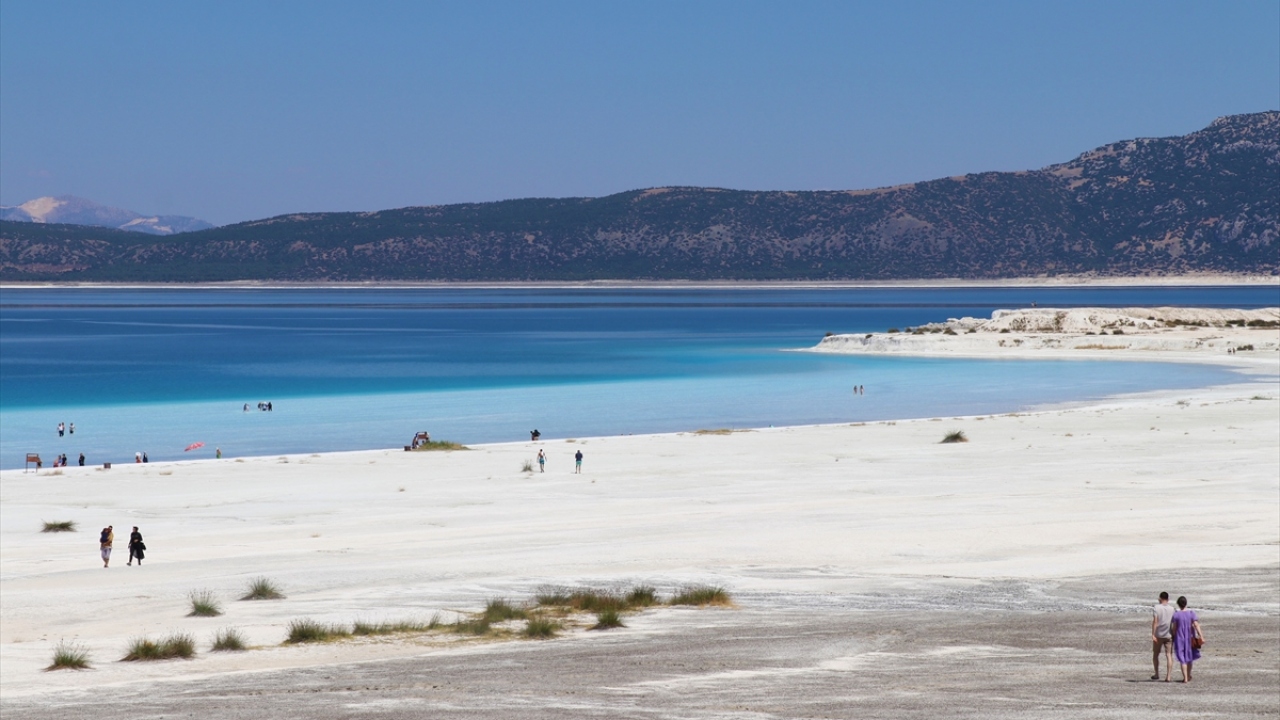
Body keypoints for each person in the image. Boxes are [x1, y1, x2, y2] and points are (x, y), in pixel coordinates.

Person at [1170, 596, 1204, 683]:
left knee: (1182, 659)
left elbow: (1174, 628)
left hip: (1180, 638)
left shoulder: (1176, 615)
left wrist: (1173, 636)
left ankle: (1185, 678)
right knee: (1189, 657)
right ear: (1186, 603)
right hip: (1190, 638)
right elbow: (1196, 625)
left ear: (1178, 604)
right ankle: (1188, 675)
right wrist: (1201, 636)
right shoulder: (1191, 613)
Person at [1151, 591, 1174, 681]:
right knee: (1169, 655)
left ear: (1160, 598)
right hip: (1169, 634)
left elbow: (1155, 621)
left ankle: (1157, 673)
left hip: (1158, 635)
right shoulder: (1172, 609)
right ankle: (1168, 676)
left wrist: (1153, 634)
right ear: (1168, 599)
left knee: (1156, 655)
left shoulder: (1156, 608)